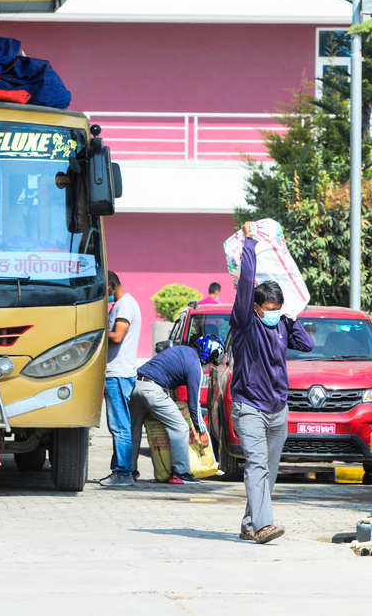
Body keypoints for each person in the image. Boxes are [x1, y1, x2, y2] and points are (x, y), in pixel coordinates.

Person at [230, 221, 314, 544]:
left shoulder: (281, 324)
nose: (273, 313)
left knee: (270, 471)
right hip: (249, 406)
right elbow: (247, 282)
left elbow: (306, 344)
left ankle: (249, 523)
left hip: (278, 409)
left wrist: (291, 315)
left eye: (278, 309)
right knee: (256, 465)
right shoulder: (245, 323)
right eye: (269, 309)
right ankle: (264, 526)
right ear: (255, 307)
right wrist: (250, 244)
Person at [129, 335, 222, 484]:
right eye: (212, 358)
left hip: (135, 384)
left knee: (133, 430)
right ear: (209, 353)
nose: (210, 363)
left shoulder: (182, 350)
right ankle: (180, 473)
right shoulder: (194, 365)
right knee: (180, 428)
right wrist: (201, 430)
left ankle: (129, 471)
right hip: (152, 389)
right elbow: (194, 404)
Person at [100, 271, 142, 487]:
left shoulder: (124, 304)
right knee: (120, 424)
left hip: (118, 374)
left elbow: (117, 336)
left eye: (104, 289)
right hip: (119, 373)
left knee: (120, 426)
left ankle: (123, 473)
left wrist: (96, 331)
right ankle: (120, 470)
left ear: (112, 285)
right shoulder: (123, 304)